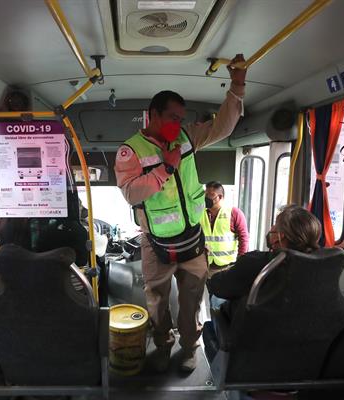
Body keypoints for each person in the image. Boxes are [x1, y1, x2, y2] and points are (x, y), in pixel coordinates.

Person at [115, 54, 247, 372]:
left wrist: (238, 84)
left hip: (192, 241)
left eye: (180, 116)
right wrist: (166, 168)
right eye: (171, 116)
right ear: (153, 115)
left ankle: (189, 348)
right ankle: (162, 344)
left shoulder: (188, 137)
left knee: (191, 302)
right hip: (155, 242)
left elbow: (224, 126)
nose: (177, 122)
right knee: (158, 302)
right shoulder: (131, 150)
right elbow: (131, 192)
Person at [207, 205, 322, 315]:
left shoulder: (254, 263)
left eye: (275, 225)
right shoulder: (322, 267)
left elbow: (218, 286)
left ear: (280, 236)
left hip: (257, 330)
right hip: (300, 328)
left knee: (217, 299)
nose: (271, 228)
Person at [201, 181, 249, 276]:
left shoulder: (234, 213)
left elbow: (244, 238)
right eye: (206, 194)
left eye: (211, 195)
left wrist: (240, 263)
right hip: (204, 265)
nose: (207, 198)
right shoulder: (200, 213)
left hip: (227, 267)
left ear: (220, 197)